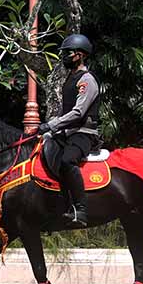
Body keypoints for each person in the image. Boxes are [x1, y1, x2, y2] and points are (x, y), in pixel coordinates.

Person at [35, 33, 102, 228]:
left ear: (80, 55)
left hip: (84, 134)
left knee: (67, 160)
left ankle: (80, 210)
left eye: (68, 53)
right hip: (67, 133)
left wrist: (51, 125)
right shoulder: (70, 79)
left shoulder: (87, 80)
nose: (64, 57)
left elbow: (78, 112)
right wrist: (47, 130)